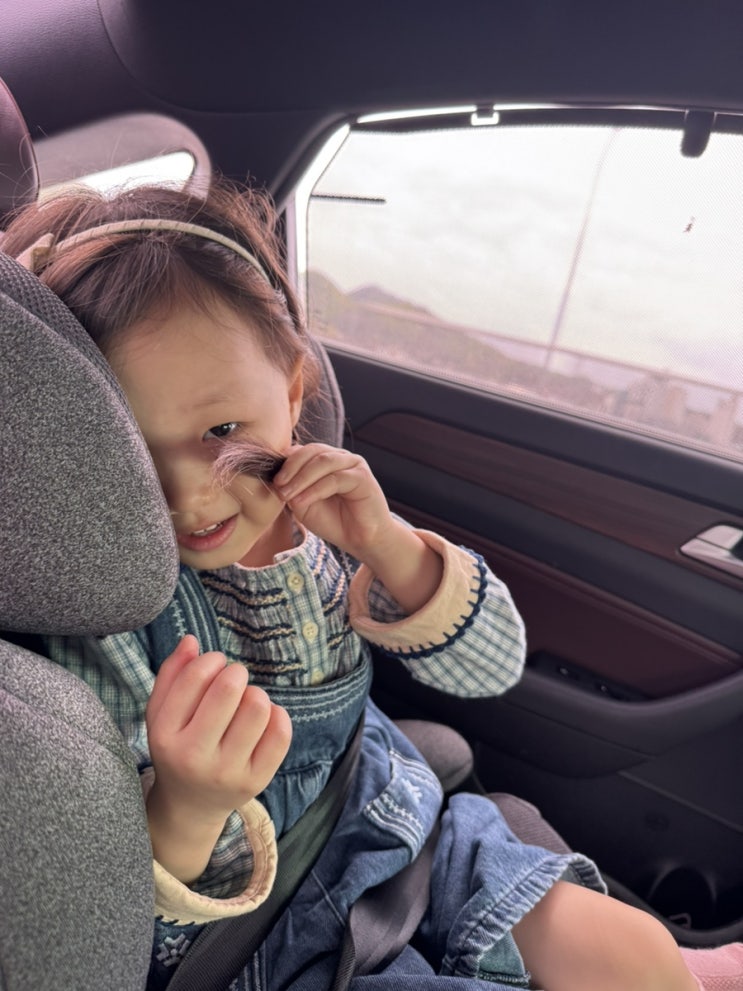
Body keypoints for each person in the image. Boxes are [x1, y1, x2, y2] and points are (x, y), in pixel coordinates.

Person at [4, 180, 740, 991]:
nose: (188, 495)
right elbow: (131, 933)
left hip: (406, 824)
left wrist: (387, 546)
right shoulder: (104, 625)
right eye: (134, 454)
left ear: (293, 391)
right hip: (274, 936)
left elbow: (492, 667)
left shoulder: (318, 521)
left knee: (630, 949)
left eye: (222, 430)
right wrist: (188, 805)